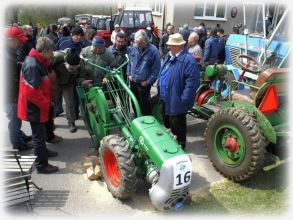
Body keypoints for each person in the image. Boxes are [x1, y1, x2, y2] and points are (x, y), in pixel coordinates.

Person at [18, 37, 59, 174]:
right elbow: (32, 93)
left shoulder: (38, 61)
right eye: (50, 52)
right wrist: (46, 103)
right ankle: (42, 165)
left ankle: (43, 152)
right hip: (33, 107)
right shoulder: (32, 65)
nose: (52, 54)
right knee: (38, 136)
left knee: (40, 134)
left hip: (38, 105)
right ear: (45, 51)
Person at [158, 33, 199, 149]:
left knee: (178, 127)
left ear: (179, 46)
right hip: (166, 98)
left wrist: (183, 100)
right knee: (167, 125)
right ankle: (170, 146)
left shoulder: (188, 60)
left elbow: (192, 83)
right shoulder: (170, 56)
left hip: (177, 101)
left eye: (171, 45)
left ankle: (180, 148)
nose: (168, 47)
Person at [4, 26, 32, 151]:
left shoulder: (10, 52)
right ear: (10, 40)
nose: (21, 43)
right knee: (14, 120)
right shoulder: (5, 57)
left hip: (13, 94)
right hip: (10, 95)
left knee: (17, 118)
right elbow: (10, 79)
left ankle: (19, 136)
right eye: (19, 40)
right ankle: (17, 144)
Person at [127, 29, 161, 116]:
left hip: (144, 84)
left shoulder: (153, 51)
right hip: (133, 81)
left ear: (146, 40)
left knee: (144, 104)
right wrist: (129, 74)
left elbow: (156, 70)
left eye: (140, 43)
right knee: (134, 101)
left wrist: (148, 82)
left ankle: (146, 119)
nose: (138, 45)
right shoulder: (133, 47)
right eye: (137, 43)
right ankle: (137, 117)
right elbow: (129, 62)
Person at [51, 48, 81, 133]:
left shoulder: (80, 62)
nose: (74, 68)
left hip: (68, 83)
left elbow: (80, 76)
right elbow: (47, 68)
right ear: (66, 62)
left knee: (70, 103)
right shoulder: (56, 57)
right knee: (53, 102)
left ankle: (71, 122)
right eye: (71, 67)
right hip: (56, 83)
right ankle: (51, 121)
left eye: (76, 67)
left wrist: (82, 81)